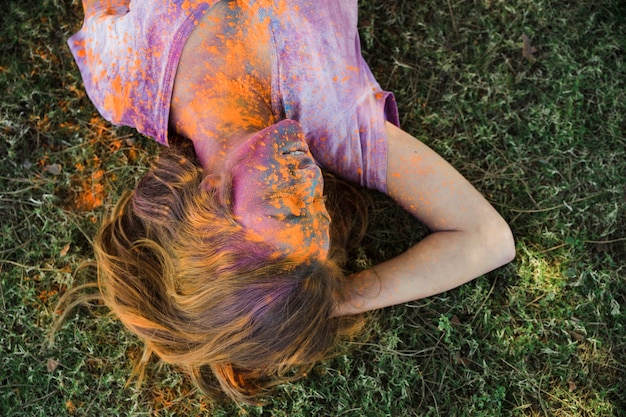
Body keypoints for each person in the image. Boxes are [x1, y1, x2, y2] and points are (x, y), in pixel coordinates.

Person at [63, 0, 515, 404]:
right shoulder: (336, 126)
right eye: (319, 204)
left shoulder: (125, 81)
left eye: (286, 205)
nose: (312, 178)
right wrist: (335, 298)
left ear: (212, 200)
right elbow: (488, 239)